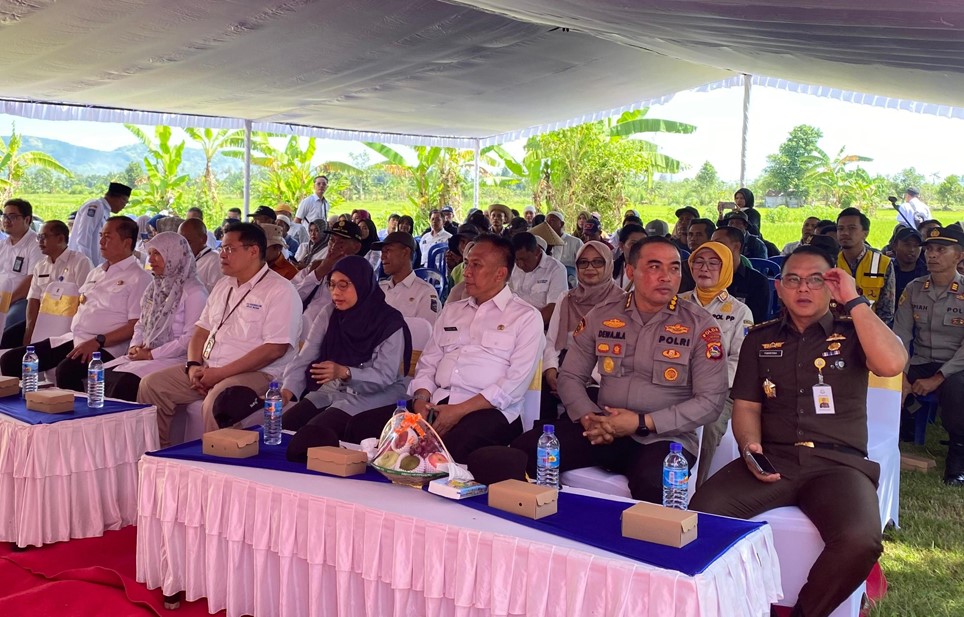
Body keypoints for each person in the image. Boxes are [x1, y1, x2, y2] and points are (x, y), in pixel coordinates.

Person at [690, 246, 907, 617]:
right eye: (793, 280)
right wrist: (750, 449)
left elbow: (892, 363)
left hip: (838, 465)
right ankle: (737, 603)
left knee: (860, 539)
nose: (803, 288)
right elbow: (746, 406)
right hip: (774, 458)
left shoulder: (854, 331)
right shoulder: (760, 338)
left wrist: (853, 300)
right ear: (779, 287)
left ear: (831, 285)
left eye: (815, 280)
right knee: (702, 516)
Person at [512, 236, 727, 502]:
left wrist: (641, 423)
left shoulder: (700, 325)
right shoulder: (603, 316)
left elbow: (711, 401)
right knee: (522, 452)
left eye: (674, 268)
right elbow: (570, 376)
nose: (666, 276)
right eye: (654, 267)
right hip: (602, 428)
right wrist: (588, 416)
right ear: (630, 271)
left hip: (664, 438)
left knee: (654, 484)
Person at [137, 223, 302, 448]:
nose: (222, 255)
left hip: (258, 374)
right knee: (152, 385)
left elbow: (274, 349)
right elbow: (201, 331)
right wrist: (194, 365)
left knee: (218, 403)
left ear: (253, 251)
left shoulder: (280, 290)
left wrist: (221, 374)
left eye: (229, 249)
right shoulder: (223, 285)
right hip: (209, 368)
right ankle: (160, 455)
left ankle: (215, 467)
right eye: (222, 248)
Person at [407, 234, 544, 463]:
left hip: (490, 412)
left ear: (500, 273)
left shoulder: (526, 317)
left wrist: (459, 411)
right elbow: (428, 363)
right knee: (382, 431)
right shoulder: (452, 311)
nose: (467, 271)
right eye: (467, 263)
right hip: (439, 402)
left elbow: (512, 386)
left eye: (476, 265)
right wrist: (420, 399)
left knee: (444, 453)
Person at [0, 217, 151, 391]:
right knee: (11, 360)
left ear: (127, 242)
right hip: (74, 338)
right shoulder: (97, 272)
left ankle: (76, 417)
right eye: (101, 235)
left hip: (106, 346)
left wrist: (98, 341)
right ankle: (26, 408)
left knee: (66, 371)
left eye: (108, 237)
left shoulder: (139, 278)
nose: (101, 241)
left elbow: (135, 325)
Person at [280, 256, 412, 449]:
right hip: (334, 389)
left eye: (344, 285)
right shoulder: (330, 313)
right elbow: (306, 357)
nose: (336, 293)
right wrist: (287, 391)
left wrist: (344, 372)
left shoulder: (389, 322)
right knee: (286, 426)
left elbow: (384, 376)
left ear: (361, 284)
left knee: (313, 435)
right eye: (332, 285)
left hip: (377, 393)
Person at [894, 225, 964, 485]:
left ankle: (957, 459)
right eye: (930, 250)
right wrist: (900, 373)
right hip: (922, 360)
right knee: (884, 379)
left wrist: (938, 378)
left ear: (959, 256)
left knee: (958, 389)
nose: (932, 255)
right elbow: (901, 335)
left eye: (941, 250)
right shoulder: (914, 289)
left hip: (956, 365)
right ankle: (887, 444)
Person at [678, 241, 753, 485]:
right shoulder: (676, 303)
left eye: (713, 263)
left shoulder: (740, 311)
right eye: (698, 261)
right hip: (674, 382)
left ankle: (696, 489)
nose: (705, 268)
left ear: (726, 269)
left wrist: (707, 383)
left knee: (709, 425)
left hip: (721, 390)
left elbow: (739, 359)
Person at [103, 233, 208, 401]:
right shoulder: (154, 287)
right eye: (150, 253)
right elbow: (141, 323)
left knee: (123, 382)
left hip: (175, 359)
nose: (150, 259)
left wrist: (152, 354)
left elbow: (190, 338)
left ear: (174, 255)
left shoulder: (194, 292)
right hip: (145, 353)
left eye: (157, 254)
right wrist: (135, 346)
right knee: (102, 375)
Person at [540, 241, 625, 420]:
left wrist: (586, 378)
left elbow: (621, 352)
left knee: (588, 406)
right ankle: (544, 440)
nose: (590, 268)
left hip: (602, 375)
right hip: (564, 367)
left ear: (609, 265)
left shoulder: (623, 303)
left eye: (597, 262)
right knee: (540, 397)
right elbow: (552, 341)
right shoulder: (567, 298)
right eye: (583, 262)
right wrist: (551, 371)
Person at [23, 220, 93, 345]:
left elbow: (86, 301)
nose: (39, 241)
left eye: (43, 237)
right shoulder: (40, 266)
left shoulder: (80, 262)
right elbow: (33, 300)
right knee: (9, 338)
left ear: (60, 238)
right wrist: (30, 330)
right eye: (38, 237)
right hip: (42, 320)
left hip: (68, 323)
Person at [836, 207, 895, 326]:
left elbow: (887, 311)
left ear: (865, 233)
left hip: (871, 329)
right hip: (835, 331)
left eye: (852, 228)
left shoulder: (882, 263)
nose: (845, 233)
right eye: (840, 229)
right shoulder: (830, 261)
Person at [0, 199, 44, 347]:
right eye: (4, 216)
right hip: (2, 297)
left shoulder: (36, 244)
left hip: (22, 300)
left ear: (27, 219)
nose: (6, 221)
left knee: (8, 322)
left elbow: (32, 280)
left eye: (12, 216)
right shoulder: (3, 244)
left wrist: (6, 300)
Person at [374, 231, 440, 324]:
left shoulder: (425, 293)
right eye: (382, 252)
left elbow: (425, 333)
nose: (382, 257)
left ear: (405, 252)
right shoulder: (380, 288)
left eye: (388, 250)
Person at [711, 226, 772, 323]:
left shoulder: (757, 281)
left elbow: (757, 321)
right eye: (712, 244)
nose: (714, 248)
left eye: (719, 243)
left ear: (736, 246)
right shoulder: (707, 277)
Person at [508, 232, 568, 327]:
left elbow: (553, 307)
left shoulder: (556, 269)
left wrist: (528, 327)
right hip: (510, 322)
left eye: (524, 259)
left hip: (540, 326)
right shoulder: (512, 266)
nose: (520, 264)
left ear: (536, 251)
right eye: (516, 260)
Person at [68, 182, 132, 267]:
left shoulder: (105, 211)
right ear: (117, 197)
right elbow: (84, 238)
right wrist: (87, 264)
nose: (124, 206)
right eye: (124, 201)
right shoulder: (96, 205)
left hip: (93, 264)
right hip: (82, 263)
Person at [178, 218, 223, 293]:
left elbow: (215, 292)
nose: (183, 246)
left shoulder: (215, 259)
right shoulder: (185, 259)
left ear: (203, 239)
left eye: (188, 241)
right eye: (180, 242)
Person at [891, 227, 927, 301]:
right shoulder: (886, 270)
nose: (912, 250)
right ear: (895, 246)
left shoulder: (927, 273)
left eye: (916, 246)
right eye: (907, 245)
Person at [545, 211, 583, 277]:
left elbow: (583, 263)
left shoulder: (575, 242)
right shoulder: (544, 243)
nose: (548, 224)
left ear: (561, 224)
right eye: (546, 222)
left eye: (552, 221)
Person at [612, 223, 647, 290]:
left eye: (643, 243)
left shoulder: (652, 272)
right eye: (633, 243)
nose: (639, 247)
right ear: (621, 246)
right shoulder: (611, 271)